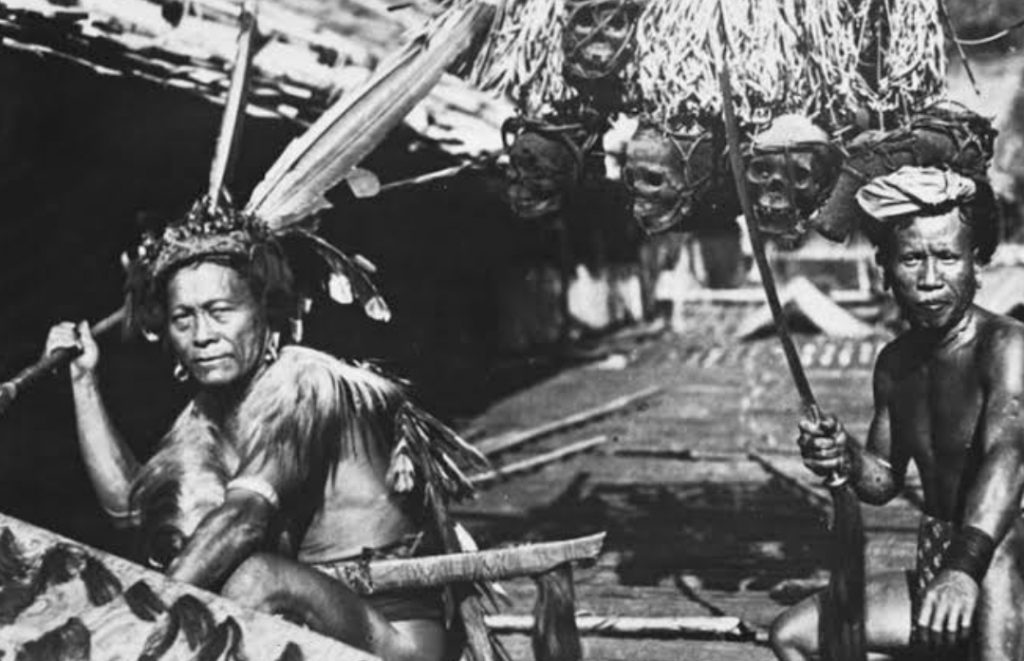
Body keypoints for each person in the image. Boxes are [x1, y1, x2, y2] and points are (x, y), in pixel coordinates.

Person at [44, 200, 486, 661]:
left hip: (394, 643)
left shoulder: (305, 385)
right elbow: (133, 512)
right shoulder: (204, 417)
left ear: (264, 312)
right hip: (310, 637)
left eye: (220, 311)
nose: (202, 335)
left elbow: (244, 521)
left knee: (252, 577)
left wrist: (137, 626)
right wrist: (83, 382)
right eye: (183, 318)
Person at [769, 166, 1024, 661]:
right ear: (884, 267)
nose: (929, 279)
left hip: (1001, 556)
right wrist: (845, 456)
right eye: (911, 259)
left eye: (947, 257)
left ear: (976, 264)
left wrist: (964, 569)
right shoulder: (895, 363)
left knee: (998, 562)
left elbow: (1007, 456)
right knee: (793, 636)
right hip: (941, 558)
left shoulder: (1007, 346)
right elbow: (883, 480)